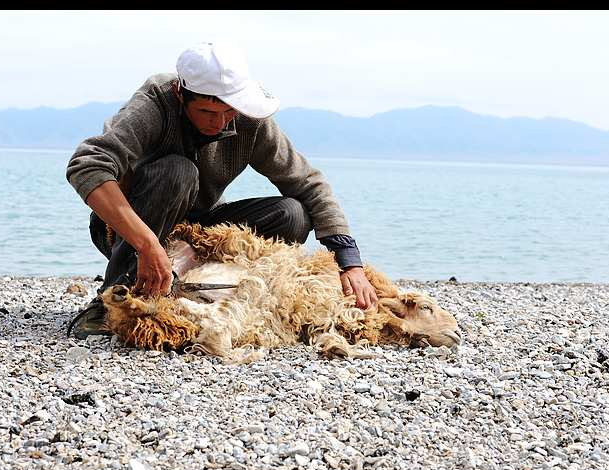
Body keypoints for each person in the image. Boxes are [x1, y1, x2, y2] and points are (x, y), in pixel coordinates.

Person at [66, 41, 378, 338]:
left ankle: (213, 291)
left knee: (293, 215)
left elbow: (307, 182)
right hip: (129, 228)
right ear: (180, 94)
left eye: (228, 112)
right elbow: (87, 165)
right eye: (207, 113)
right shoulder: (154, 104)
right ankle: (111, 300)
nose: (220, 123)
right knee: (178, 171)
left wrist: (350, 262)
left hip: (198, 226)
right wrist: (147, 244)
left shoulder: (248, 118)